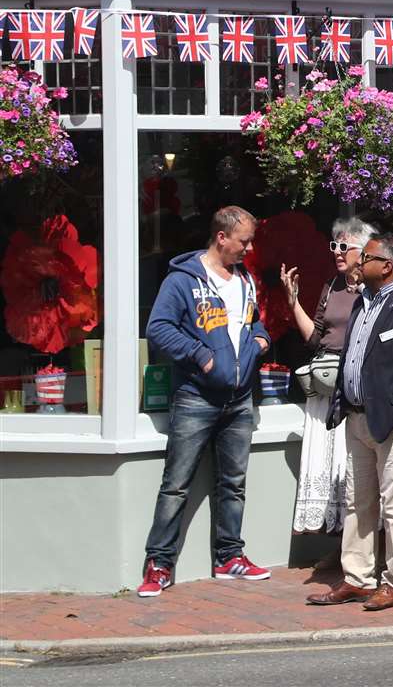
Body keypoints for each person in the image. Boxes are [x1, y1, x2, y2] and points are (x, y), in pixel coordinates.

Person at [138, 206, 272, 596]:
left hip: (239, 397)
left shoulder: (244, 279)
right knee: (176, 485)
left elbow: (254, 322)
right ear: (222, 237)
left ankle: (229, 557)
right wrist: (201, 355)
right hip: (197, 397)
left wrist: (260, 341)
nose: (248, 248)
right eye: (243, 241)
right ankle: (159, 564)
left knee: (233, 483)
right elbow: (158, 328)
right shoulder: (182, 281)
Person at [307, 234, 393, 611]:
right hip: (356, 418)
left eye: (366, 256)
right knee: (356, 502)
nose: (359, 261)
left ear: (388, 266)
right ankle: (357, 578)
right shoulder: (361, 303)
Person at [281, 218, 376, 539]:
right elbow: (315, 338)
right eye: (334, 246)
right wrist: (293, 302)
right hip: (326, 385)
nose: (336, 252)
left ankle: (364, 544)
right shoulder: (331, 286)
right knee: (329, 465)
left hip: (355, 389)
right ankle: (337, 546)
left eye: (343, 247)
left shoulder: (374, 289)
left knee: (352, 466)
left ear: (363, 252)